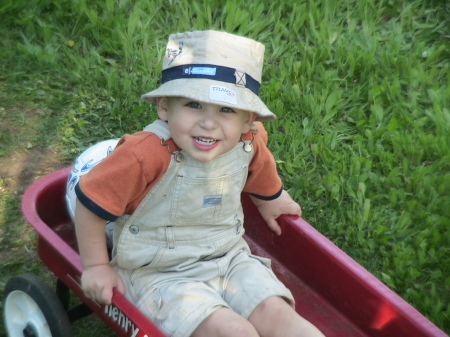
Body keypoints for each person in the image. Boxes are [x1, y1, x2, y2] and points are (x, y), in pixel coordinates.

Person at [75, 30, 325, 337]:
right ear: (165, 107)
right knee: (234, 332)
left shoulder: (248, 139)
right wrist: (96, 266)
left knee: (281, 317)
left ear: (248, 120)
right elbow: (90, 200)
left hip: (229, 257)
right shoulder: (145, 154)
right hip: (158, 272)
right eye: (194, 105)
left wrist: (270, 198)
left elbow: (258, 165)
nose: (208, 122)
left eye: (226, 110)